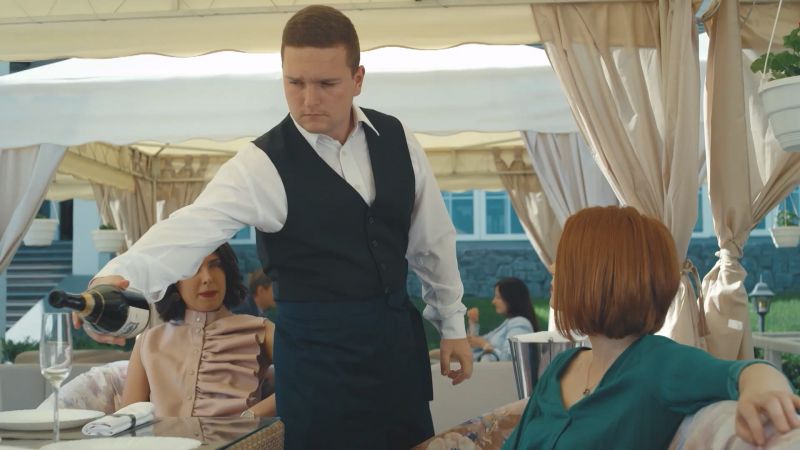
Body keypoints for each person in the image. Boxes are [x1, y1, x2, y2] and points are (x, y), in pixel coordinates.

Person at [85, 5, 472, 449]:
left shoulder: (397, 138)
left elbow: (431, 241)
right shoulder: (261, 164)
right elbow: (187, 229)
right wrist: (114, 280)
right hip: (317, 375)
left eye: (326, 84)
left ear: (358, 79)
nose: (308, 100)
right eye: (295, 83)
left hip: (397, 361)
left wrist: (452, 326)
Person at [502, 206, 800, 449]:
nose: (552, 270)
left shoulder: (659, 364)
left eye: (564, 261)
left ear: (601, 275)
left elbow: (750, 372)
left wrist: (763, 390)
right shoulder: (561, 366)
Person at [121, 244, 275, 418]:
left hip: (240, 436)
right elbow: (128, 419)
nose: (207, 278)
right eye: (193, 268)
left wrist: (252, 415)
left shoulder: (260, 330)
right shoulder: (148, 341)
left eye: (215, 265)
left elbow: (301, 376)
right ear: (175, 281)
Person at [467, 277, 540, 361]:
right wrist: (473, 323)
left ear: (511, 299)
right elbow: (474, 344)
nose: (493, 301)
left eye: (498, 297)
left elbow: (511, 358)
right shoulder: (509, 323)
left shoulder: (520, 323)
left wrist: (484, 345)